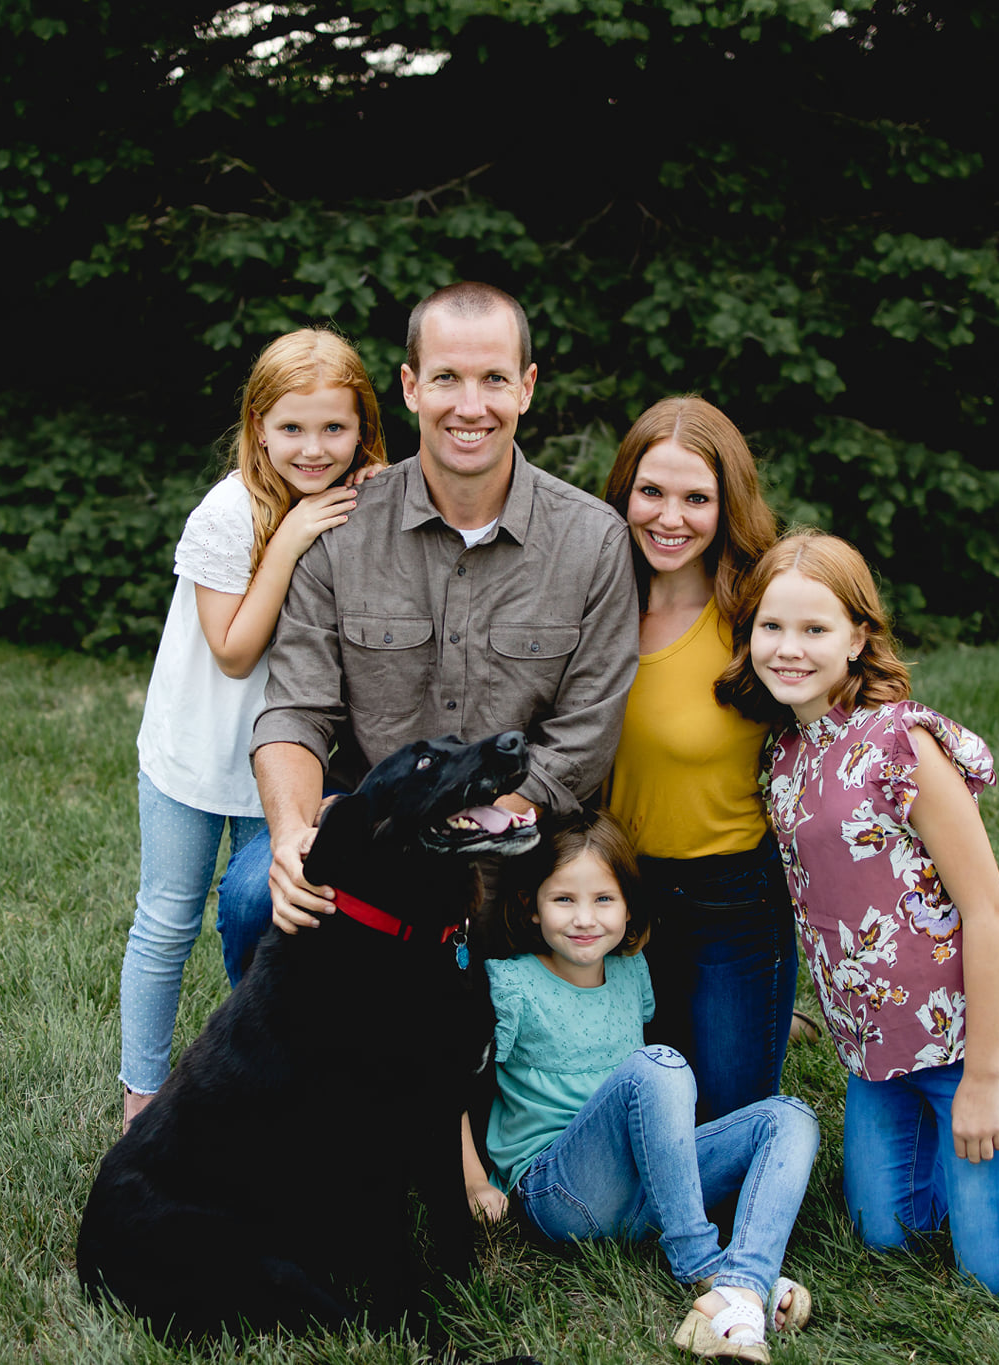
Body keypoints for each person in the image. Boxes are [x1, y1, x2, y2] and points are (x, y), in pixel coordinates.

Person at [713, 529, 999, 1294]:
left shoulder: (900, 744)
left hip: (972, 1036)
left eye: (815, 628)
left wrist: (985, 1079)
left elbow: (989, 911)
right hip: (879, 1051)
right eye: (771, 626)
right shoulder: (782, 756)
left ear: (859, 636)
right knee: (885, 1234)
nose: (788, 647)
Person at [222, 281, 639, 966]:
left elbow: (582, 743)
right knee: (251, 895)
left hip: (519, 834)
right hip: (371, 826)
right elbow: (296, 711)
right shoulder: (341, 526)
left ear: (527, 388)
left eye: (494, 379)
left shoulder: (593, 542)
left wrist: (465, 823)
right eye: (447, 378)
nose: (469, 406)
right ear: (412, 387)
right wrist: (295, 833)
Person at [116, 328, 388, 1127]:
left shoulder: (359, 500)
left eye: (334, 428)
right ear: (258, 425)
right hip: (197, 756)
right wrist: (295, 533)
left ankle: (267, 1075)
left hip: (290, 758)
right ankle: (142, 1095)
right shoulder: (231, 510)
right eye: (293, 428)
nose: (313, 448)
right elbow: (234, 651)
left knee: (273, 916)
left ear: (362, 425)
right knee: (168, 916)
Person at [465, 815, 819, 1364]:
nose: (584, 919)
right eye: (563, 900)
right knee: (658, 1065)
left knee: (791, 1117)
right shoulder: (509, 984)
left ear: (630, 908)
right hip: (557, 1192)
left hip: (646, 1191)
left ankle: (744, 1286)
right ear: (532, 907)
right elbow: (454, 1089)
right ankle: (705, 1273)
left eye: (604, 899)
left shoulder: (631, 974)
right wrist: (474, 1185)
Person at [599, 395, 804, 1124]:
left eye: (697, 498)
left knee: (723, 1130)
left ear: (728, 504)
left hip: (731, 900)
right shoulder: (593, 603)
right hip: (614, 900)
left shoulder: (758, 617)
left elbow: (850, 712)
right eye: (651, 492)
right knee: (638, 1122)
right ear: (623, 490)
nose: (670, 516)